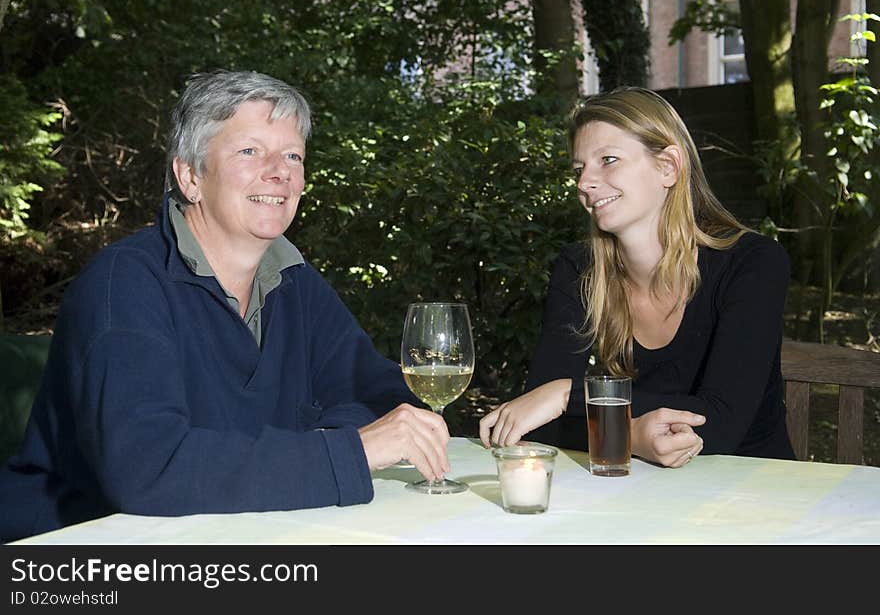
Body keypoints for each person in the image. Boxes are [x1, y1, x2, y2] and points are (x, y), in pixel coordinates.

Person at [0, 70, 450, 542]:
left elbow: (383, 398)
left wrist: (325, 446)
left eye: (292, 154)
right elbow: (146, 467)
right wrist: (345, 453)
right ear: (190, 176)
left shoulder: (294, 282)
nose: (279, 170)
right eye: (249, 151)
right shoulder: (125, 285)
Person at [479, 86, 795, 467]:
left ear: (668, 167)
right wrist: (629, 435)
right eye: (579, 169)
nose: (583, 183)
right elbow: (536, 423)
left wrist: (567, 396)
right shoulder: (579, 269)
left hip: (754, 491)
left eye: (608, 160)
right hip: (637, 495)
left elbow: (724, 421)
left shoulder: (752, 263)